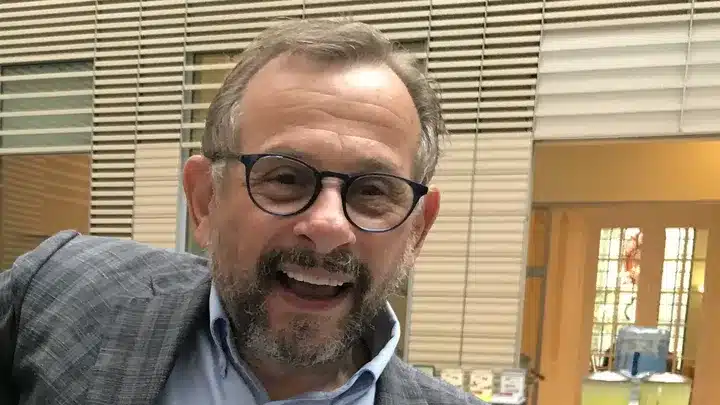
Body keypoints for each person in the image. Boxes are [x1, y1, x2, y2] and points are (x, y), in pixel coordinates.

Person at [0, 18, 487, 405]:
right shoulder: (60, 292)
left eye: (373, 190)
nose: (328, 226)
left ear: (417, 229)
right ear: (205, 200)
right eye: (285, 178)